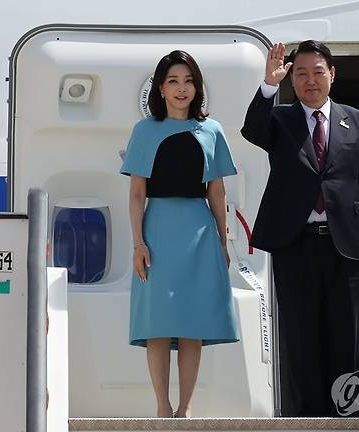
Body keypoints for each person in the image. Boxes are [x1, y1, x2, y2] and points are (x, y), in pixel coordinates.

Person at [241, 41, 359, 417]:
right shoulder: (281, 118)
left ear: (332, 75)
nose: (310, 81)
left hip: (346, 245)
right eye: (301, 73)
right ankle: (305, 416)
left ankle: (350, 416)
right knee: (300, 336)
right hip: (296, 244)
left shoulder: (355, 119)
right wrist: (269, 86)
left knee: (348, 335)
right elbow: (252, 130)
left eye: (317, 72)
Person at [120, 50, 239, 418]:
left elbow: (216, 192)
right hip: (157, 230)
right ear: (161, 88)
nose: (182, 88)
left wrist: (222, 239)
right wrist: (138, 242)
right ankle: (162, 407)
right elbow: (137, 192)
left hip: (200, 231)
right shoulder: (145, 131)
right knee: (157, 321)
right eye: (173, 81)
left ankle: (185, 409)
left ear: (197, 87)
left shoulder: (212, 130)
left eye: (188, 81)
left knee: (193, 322)